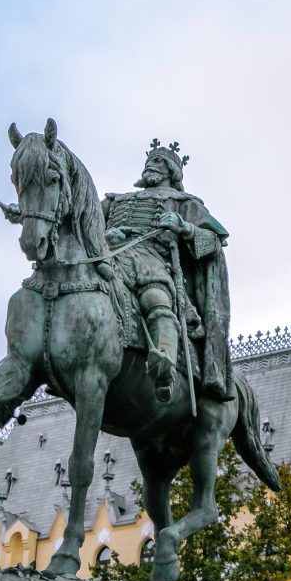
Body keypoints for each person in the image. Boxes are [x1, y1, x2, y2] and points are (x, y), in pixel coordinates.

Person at [101, 140, 232, 404]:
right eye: (150, 160)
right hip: (110, 256)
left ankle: (164, 365)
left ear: (172, 171)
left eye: (159, 161)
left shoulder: (184, 203)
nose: (151, 164)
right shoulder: (115, 200)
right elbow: (85, 219)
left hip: (153, 263)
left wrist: (186, 228)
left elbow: (214, 240)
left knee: (156, 300)